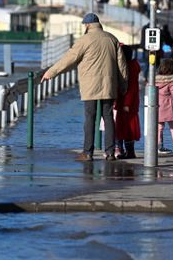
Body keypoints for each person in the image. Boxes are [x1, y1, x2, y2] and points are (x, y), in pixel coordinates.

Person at [41, 13, 128, 161]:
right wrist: (123, 85)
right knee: (108, 118)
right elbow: (122, 66)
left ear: (87, 25)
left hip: (90, 86)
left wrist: (51, 73)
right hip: (109, 84)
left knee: (90, 118)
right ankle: (110, 152)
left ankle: (88, 152)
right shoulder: (112, 38)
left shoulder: (84, 40)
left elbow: (68, 59)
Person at [114, 45, 141, 159]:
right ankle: (129, 151)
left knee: (126, 128)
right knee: (127, 128)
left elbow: (130, 88)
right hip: (129, 103)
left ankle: (129, 152)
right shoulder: (133, 66)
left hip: (125, 103)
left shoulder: (128, 68)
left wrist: (126, 103)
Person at [155, 59, 173, 154]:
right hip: (169, 107)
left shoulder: (155, 80)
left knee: (159, 127)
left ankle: (159, 146)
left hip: (157, 106)